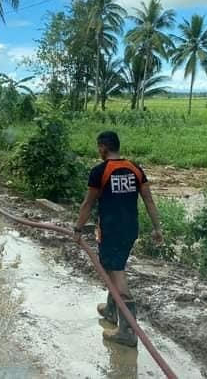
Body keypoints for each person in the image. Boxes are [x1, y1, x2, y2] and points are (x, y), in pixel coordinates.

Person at [73, 131, 163, 348]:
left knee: (117, 272)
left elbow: (88, 203)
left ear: (104, 147)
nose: (99, 151)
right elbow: (149, 200)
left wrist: (77, 228)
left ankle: (127, 330)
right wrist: (157, 228)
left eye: (99, 147)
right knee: (115, 266)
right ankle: (112, 310)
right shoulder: (135, 168)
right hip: (130, 229)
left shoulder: (100, 171)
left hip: (111, 230)